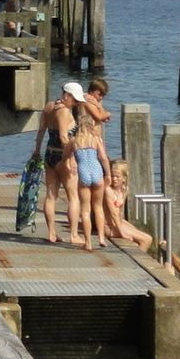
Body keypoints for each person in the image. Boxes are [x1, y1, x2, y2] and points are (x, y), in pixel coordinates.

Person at [34, 80, 82, 244]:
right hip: (63, 156)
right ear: (66, 95)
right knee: (73, 197)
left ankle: (52, 233)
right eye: (75, 100)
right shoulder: (64, 112)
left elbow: (41, 131)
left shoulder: (49, 106)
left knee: (50, 195)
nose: (76, 104)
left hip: (49, 153)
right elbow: (63, 137)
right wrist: (71, 158)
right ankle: (74, 235)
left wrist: (36, 151)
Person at [70, 78, 112, 250]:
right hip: (94, 154)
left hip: (84, 161)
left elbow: (101, 117)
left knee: (87, 208)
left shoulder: (75, 140)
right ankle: (101, 237)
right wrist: (104, 112)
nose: (100, 98)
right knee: (95, 206)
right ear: (92, 90)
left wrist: (70, 162)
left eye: (102, 96)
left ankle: (89, 242)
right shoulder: (87, 100)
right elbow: (100, 116)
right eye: (99, 94)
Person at [102, 160, 154, 251]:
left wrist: (128, 227)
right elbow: (113, 214)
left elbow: (120, 213)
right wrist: (122, 233)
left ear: (124, 178)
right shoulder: (108, 191)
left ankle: (137, 256)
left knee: (137, 235)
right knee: (147, 240)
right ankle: (137, 262)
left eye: (117, 176)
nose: (114, 179)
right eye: (112, 176)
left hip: (117, 223)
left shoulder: (124, 190)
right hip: (107, 226)